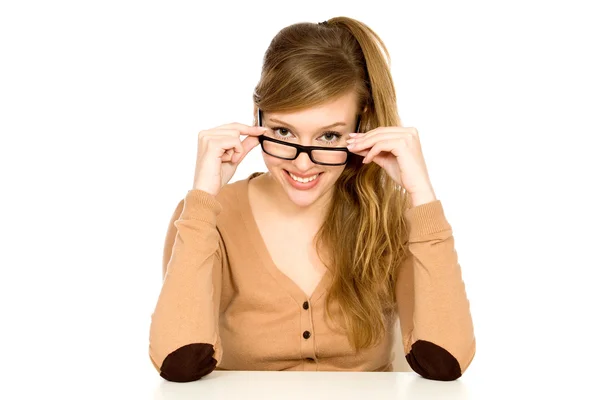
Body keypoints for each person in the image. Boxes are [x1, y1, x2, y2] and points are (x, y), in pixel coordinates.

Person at [148, 16, 476, 383]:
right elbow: (177, 361)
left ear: (361, 127)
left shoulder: (392, 218)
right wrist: (204, 197)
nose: (302, 162)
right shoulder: (210, 217)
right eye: (283, 131)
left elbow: (446, 361)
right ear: (257, 119)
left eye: (330, 138)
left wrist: (421, 195)